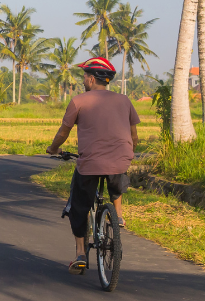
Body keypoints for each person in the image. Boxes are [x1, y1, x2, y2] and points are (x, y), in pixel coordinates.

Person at [45, 57, 140, 275]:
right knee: (117, 176)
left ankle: (80, 254)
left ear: (90, 79)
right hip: (120, 159)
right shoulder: (124, 100)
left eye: (84, 77)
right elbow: (134, 135)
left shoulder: (79, 101)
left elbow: (63, 132)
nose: (83, 81)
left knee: (78, 205)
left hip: (90, 163)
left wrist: (53, 148)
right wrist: (129, 152)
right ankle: (118, 215)